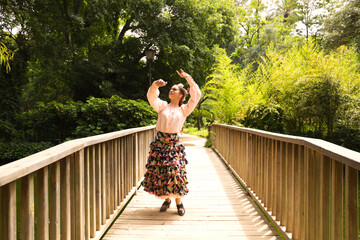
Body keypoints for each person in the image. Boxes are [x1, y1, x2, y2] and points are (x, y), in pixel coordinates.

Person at [141, 69, 201, 216]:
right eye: (170, 89)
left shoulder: (184, 109)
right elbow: (151, 97)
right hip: (160, 143)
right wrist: (155, 85)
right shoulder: (162, 106)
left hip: (174, 145)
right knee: (162, 173)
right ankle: (167, 200)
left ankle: (179, 203)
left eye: (174, 89)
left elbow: (196, 96)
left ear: (181, 94)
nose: (171, 91)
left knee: (175, 173)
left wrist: (188, 78)